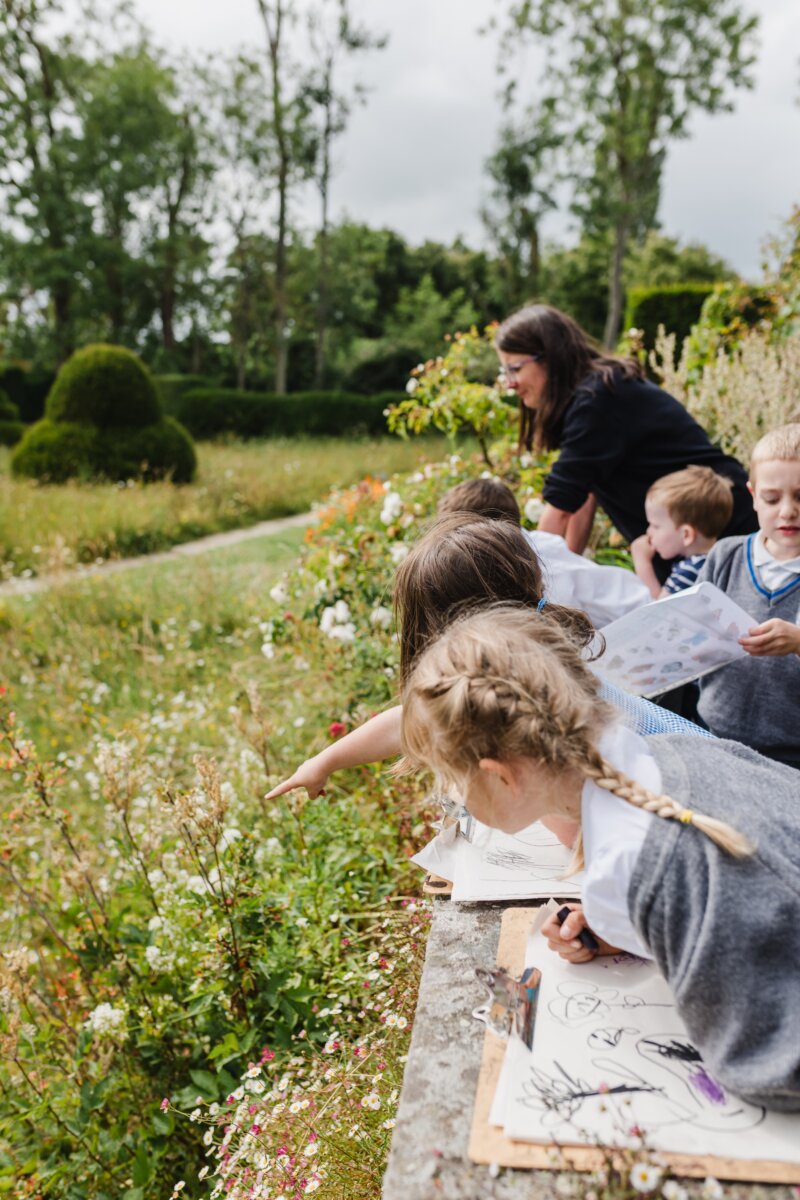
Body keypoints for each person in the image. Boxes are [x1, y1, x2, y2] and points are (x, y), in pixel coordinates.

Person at [401, 604, 800, 1111]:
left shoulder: (634, 869)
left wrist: (646, 911)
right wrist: (635, 924)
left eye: (451, 781)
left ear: (501, 775)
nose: (453, 797)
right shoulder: (673, 750)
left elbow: (768, 1066)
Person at [266, 514, 710, 808]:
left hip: (693, 791)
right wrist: (322, 763)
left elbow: (574, 809)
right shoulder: (533, 650)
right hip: (699, 773)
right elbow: (410, 718)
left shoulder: (526, 686)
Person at [495, 304, 757, 574]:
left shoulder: (598, 401)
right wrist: (564, 574)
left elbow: (560, 507)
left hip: (723, 531)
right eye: (505, 372)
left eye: (515, 368)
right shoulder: (592, 396)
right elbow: (580, 496)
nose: (510, 384)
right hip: (693, 542)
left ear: (550, 357)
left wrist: (530, 585)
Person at [696, 424, 800, 768]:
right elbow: (693, 624)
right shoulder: (726, 556)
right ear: (753, 496)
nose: (787, 511)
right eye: (772, 499)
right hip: (713, 735)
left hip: (790, 757)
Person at [438, 477, 650, 626]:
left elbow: (568, 623)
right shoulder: (534, 543)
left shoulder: (540, 565)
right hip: (632, 603)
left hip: (637, 620)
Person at [630, 466, 734, 599]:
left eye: (655, 526)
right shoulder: (723, 560)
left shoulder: (689, 572)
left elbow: (660, 611)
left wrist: (642, 562)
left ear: (686, 535)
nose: (648, 531)